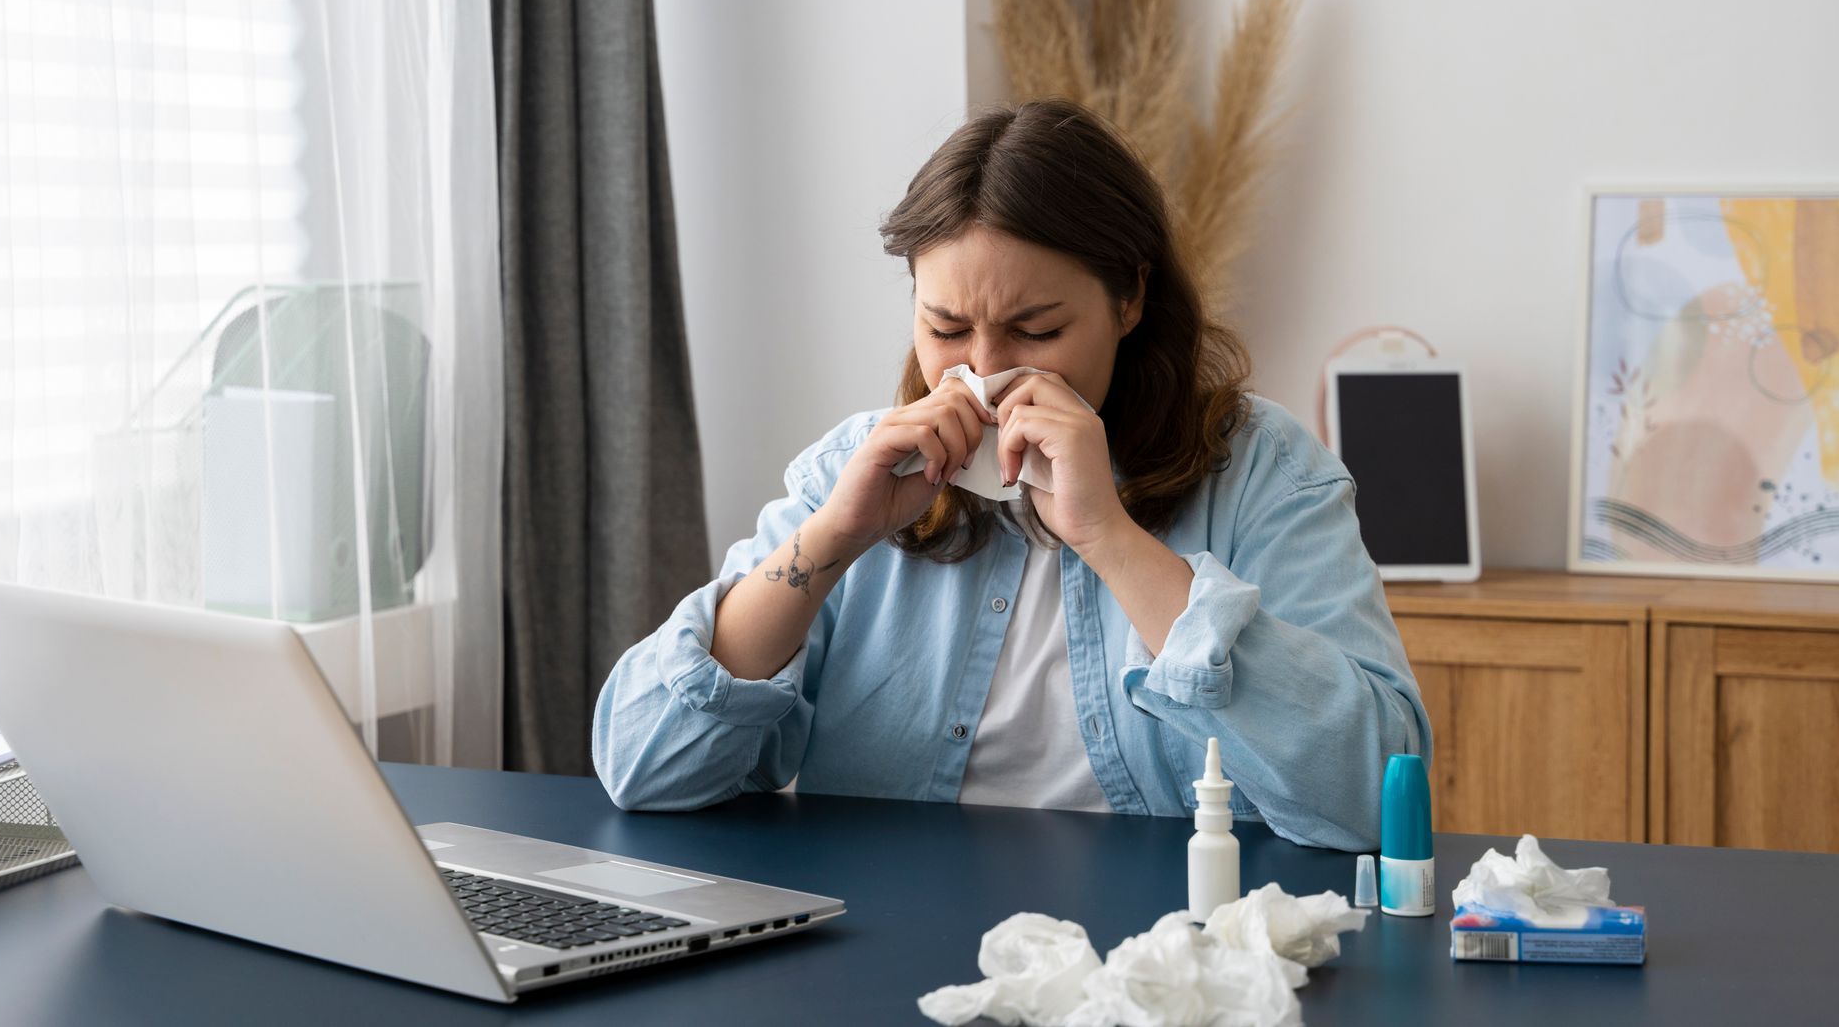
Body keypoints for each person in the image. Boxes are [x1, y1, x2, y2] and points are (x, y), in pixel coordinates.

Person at [593, 98, 1430, 850]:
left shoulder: (1264, 473)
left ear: (1129, 299)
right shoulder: (854, 470)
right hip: (895, 950)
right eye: (946, 327)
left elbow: (1372, 796)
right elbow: (643, 766)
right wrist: (833, 537)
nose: (984, 373)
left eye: (1036, 329)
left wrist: (1109, 536)